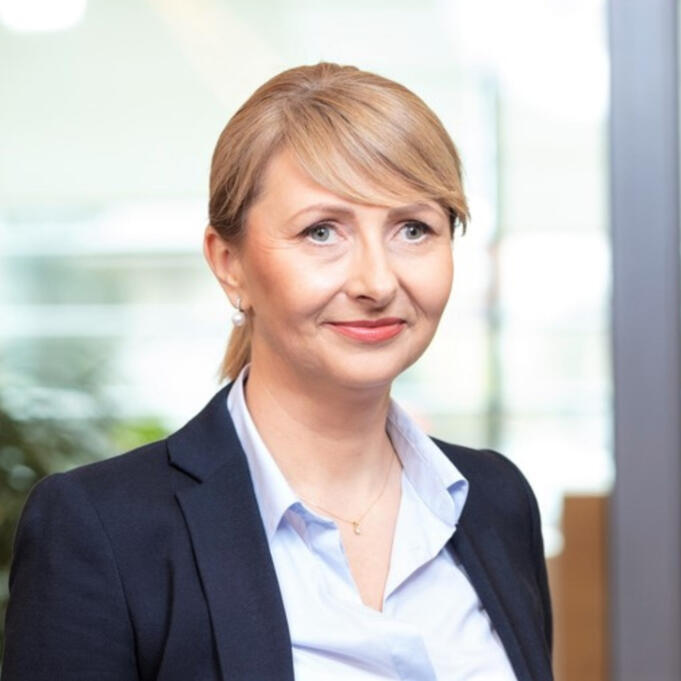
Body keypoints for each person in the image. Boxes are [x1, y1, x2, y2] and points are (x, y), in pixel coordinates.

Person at [1, 63, 553, 681]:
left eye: (413, 229)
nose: (376, 282)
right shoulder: (102, 528)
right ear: (229, 263)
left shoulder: (495, 500)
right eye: (322, 232)